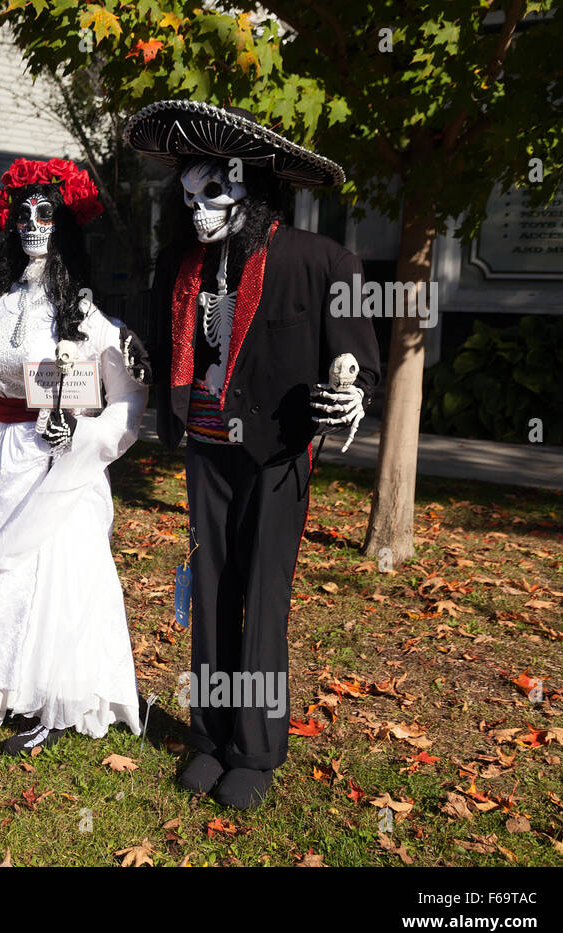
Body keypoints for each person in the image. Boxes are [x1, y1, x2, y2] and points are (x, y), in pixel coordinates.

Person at [126, 100, 380, 808]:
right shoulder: (183, 266)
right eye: (188, 196)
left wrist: (352, 397)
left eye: (215, 193)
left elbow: (355, 359)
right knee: (210, 592)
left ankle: (256, 750)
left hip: (275, 456)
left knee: (263, 595)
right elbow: (162, 348)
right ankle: (208, 736)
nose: (199, 210)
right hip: (205, 450)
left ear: (253, 189)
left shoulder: (322, 260)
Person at [0, 157, 151, 755]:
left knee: (55, 574)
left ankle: (55, 694)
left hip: (62, 469)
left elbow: (127, 402)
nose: (32, 224)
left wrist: (81, 439)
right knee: (3, 573)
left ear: (64, 223)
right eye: (22, 214)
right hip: (6, 461)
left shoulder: (91, 315)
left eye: (45, 212)